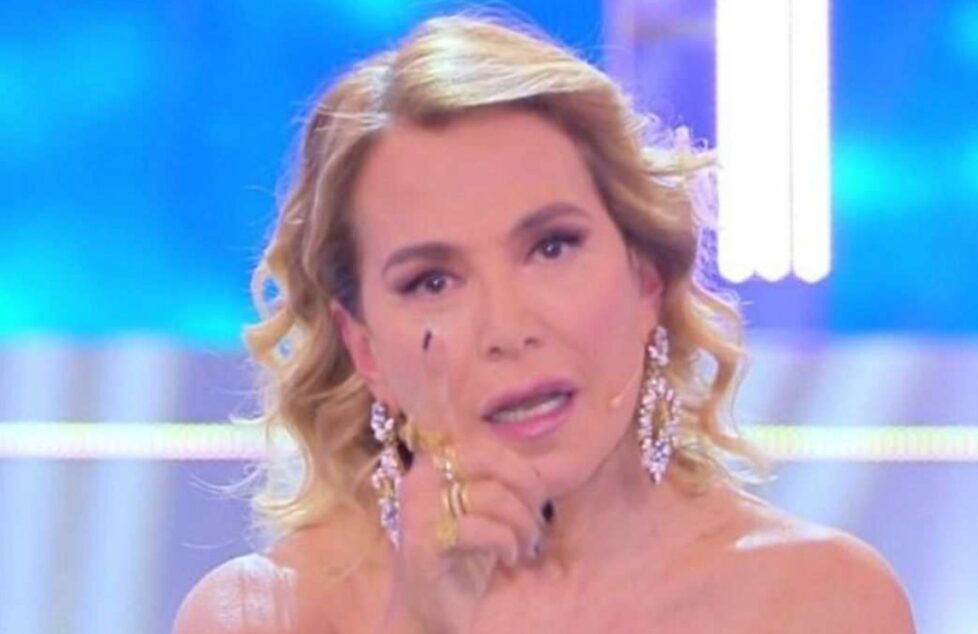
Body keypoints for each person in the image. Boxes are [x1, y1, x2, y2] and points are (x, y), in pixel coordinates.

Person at [173, 13, 915, 634]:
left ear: (645, 277)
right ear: (364, 348)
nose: (508, 327)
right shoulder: (260, 616)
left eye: (552, 247)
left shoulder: (822, 603)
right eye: (433, 281)